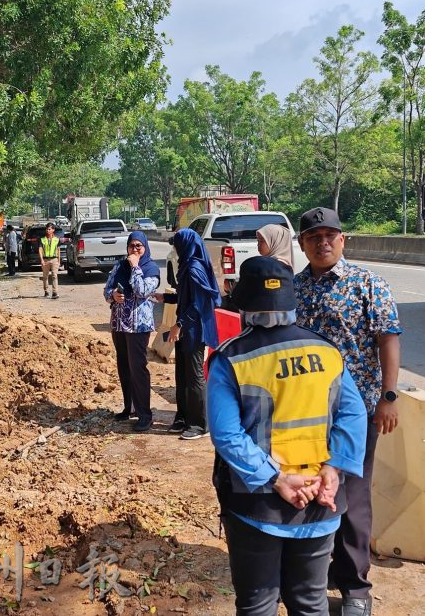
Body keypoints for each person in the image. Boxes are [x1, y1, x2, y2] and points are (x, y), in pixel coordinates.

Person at [208, 256, 367, 616]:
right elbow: (354, 413)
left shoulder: (230, 358)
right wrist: (332, 471)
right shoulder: (326, 351)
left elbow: (227, 434)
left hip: (258, 503)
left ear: (243, 302)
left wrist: (276, 479)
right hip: (321, 499)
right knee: (310, 602)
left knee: (258, 604)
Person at [294, 207, 401, 616]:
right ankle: (316, 576)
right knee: (313, 493)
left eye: (330, 236)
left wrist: (388, 399)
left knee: (353, 497)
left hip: (355, 415)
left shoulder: (367, 284)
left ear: (343, 239)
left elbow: (388, 339)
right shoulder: (294, 288)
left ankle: (356, 587)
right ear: (303, 243)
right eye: (313, 237)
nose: (322, 242)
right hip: (304, 413)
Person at [159, 228, 221, 440]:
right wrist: (166, 299)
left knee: (194, 377)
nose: (175, 248)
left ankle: (200, 425)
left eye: (176, 244)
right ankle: (184, 417)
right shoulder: (187, 266)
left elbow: (198, 304)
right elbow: (186, 297)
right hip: (186, 328)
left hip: (194, 329)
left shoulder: (194, 269)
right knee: (182, 374)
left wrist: (179, 324)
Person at [103, 231, 161, 432]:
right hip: (119, 324)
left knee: (138, 368)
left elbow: (142, 291)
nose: (134, 249)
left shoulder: (151, 268)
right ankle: (129, 407)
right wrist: (113, 295)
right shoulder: (119, 266)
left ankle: (145, 414)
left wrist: (135, 266)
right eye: (131, 246)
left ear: (145, 247)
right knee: (124, 366)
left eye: (138, 246)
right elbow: (106, 290)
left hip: (138, 326)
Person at [39, 222, 60, 299]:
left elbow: (58, 250)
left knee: (54, 276)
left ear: (53, 230)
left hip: (54, 259)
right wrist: (41, 260)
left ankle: (55, 292)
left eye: (49, 229)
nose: (47, 230)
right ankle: (46, 291)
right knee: (45, 277)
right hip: (45, 260)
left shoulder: (57, 239)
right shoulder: (42, 239)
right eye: (47, 229)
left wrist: (59, 260)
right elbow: (40, 249)